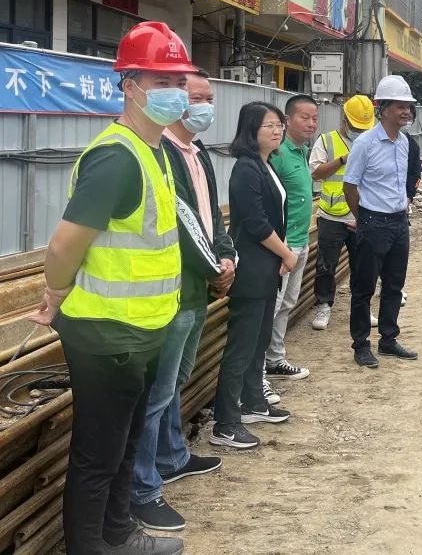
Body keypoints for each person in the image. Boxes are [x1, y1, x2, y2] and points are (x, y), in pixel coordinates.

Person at [28, 21, 194, 555]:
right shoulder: (116, 156)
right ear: (129, 84)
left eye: (178, 78)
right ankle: (91, 547)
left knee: (125, 445)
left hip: (143, 331)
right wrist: (55, 295)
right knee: (98, 454)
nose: (175, 89)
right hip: (106, 335)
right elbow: (63, 246)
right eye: (160, 77)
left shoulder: (156, 152)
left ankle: (119, 535)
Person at [130, 70, 235, 532]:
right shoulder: (161, 155)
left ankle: (172, 456)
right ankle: (142, 488)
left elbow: (212, 215)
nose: (203, 105)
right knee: (155, 393)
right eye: (195, 97)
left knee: (174, 382)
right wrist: (215, 269)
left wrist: (226, 253)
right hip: (172, 291)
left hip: (198, 287)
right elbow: (181, 222)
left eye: (209, 97)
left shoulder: (198, 153)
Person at [210, 102, 299, 450]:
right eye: (269, 126)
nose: (276, 131)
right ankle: (226, 423)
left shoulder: (267, 165)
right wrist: (286, 253)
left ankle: (251, 403)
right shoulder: (246, 169)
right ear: (251, 131)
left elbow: (274, 218)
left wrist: (281, 255)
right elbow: (256, 223)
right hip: (251, 267)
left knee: (259, 340)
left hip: (268, 266)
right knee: (242, 346)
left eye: (279, 125)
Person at [343, 75, 420, 368]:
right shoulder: (365, 143)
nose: (407, 111)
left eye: (409, 106)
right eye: (400, 105)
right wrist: (364, 219)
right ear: (383, 108)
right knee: (363, 288)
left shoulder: (404, 143)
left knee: (394, 285)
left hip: (399, 223)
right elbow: (350, 186)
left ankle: (388, 339)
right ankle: (361, 344)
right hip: (373, 223)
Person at [309, 94, 375, 331]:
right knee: (326, 265)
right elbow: (316, 173)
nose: (359, 132)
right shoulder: (326, 141)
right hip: (331, 216)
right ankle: (324, 305)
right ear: (344, 119)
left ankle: (363, 309)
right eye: (356, 127)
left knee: (364, 266)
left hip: (361, 215)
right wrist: (343, 159)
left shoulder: (373, 142)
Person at [264, 94, 318, 380]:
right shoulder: (278, 154)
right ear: (287, 120)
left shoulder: (300, 152)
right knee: (272, 307)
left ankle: (274, 359)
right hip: (282, 245)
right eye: (304, 117)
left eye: (315, 118)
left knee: (286, 304)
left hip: (300, 241)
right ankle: (257, 371)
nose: (311, 123)